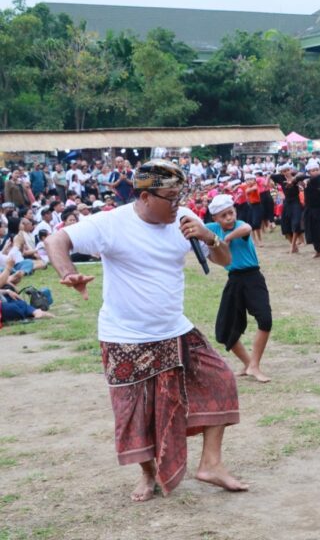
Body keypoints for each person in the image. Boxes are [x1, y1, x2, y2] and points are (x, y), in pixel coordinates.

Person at [44, 159, 247, 502]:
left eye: (180, 196)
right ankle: (147, 475)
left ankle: (211, 464)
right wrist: (68, 272)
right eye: (170, 197)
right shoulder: (111, 223)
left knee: (222, 380)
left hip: (175, 330)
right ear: (144, 196)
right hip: (124, 336)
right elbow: (56, 240)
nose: (177, 204)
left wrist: (210, 237)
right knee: (136, 413)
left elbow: (225, 261)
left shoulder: (184, 221)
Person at [206, 194, 273, 383]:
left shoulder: (238, 227)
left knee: (265, 319)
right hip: (234, 280)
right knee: (225, 330)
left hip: (253, 278)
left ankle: (255, 365)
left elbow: (247, 228)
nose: (229, 218)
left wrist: (226, 239)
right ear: (215, 219)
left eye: (231, 213)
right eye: (223, 215)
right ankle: (249, 364)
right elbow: (199, 230)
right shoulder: (212, 229)